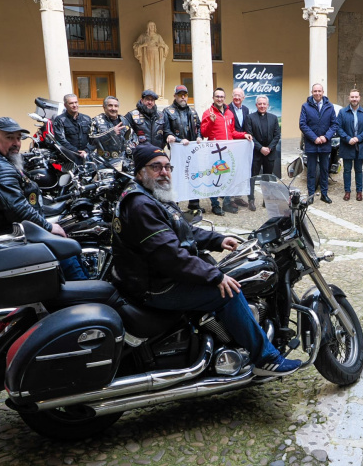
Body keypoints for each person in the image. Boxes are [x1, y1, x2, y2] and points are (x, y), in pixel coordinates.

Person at [110, 144, 300, 376]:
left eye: (167, 167)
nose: (164, 172)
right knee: (229, 292)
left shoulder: (148, 195)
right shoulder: (141, 205)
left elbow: (180, 229)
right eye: (155, 167)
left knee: (216, 271)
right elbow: (172, 257)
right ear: (140, 172)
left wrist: (217, 240)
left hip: (149, 277)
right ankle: (266, 358)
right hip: (156, 286)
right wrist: (215, 276)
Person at [0, 117, 86, 280]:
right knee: (64, 249)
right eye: (9, 137)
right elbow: (17, 208)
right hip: (0, 235)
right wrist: (48, 227)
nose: (16, 143)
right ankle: (84, 296)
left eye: (19, 138)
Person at [200, 87, 253, 215]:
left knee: (229, 177)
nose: (219, 99)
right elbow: (204, 133)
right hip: (215, 152)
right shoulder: (208, 113)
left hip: (228, 152)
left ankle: (227, 203)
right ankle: (215, 204)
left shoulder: (229, 113)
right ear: (213, 98)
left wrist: (244, 134)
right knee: (215, 178)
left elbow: (232, 132)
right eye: (217, 96)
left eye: (222, 97)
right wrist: (211, 122)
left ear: (225, 98)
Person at [163, 84, 204, 212]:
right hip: (177, 151)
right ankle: (175, 203)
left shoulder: (193, 111)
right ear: (175, 96)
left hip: (192, 151)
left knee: (194, 176)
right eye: (180, 95)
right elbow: (166, 130)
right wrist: (180, 140)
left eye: (185, 95)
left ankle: (194, 204)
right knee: (176, 177)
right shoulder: (167, 111)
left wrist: (199, 137)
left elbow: (199, 127)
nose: (183, 97)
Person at [299, 83, 338, 204]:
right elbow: (302, 124)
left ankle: (324, 194)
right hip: (311, 144)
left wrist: (326, 137)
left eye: (319, 91)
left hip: (325, 144)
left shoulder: (329, 106)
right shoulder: (305, 106)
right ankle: (311, 195)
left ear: (323, 92)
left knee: (324, 170)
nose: (317, 93)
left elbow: (334, 124)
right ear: (312, 92)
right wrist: (314, 138)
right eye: (315, 91)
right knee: (311, 171)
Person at [245, 95, 280, 211]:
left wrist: (269, 148)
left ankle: (267, 200)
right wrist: (261, 148)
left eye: (264, 104)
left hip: (269, 153)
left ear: (268, 105)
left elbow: (277, 136)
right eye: (260, 104)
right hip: (256, 152)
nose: (262, 106)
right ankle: (251, 200)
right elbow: (250, 136)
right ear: (256, 105)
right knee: (253, 177)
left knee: (267, 177)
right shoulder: (250, 118)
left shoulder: (274, 118)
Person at [336, 88, 363, 201]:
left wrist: (358, 138)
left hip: (360, 145)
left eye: (356, 97)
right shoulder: (342, 112)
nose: (354, 99)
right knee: (347, 170)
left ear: (359, 98)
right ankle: (347, 191)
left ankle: (359, 192)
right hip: (347, 145)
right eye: (352, 97)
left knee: (359, 169)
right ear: (349, 98)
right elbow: (338, 127)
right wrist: (348, 139)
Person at [226, 88, 251, 209]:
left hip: (243, 146)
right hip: (231, 144)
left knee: (241, 171)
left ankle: (238, 197)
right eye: (235, 95)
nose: (237, 98)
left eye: (239, 96)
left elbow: (246, 127)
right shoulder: (226, 109)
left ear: (243, 98)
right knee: (231, 171)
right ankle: (230, 198)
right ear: (232, 96)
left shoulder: (246, 109)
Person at [132, 21, 169, 99]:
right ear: (148, 27)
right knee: (148, 73)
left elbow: (165, 46)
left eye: (153, 25)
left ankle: (157, 92)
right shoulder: (143, 36)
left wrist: (160, 45)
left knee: (157, 74)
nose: (152, 27)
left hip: (156, 57)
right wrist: (142, 45)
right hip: (147, 57)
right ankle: (148, 92)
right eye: (150, 25)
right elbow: (135, 45)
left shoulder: (158, 36)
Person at [53, 94, 92, 164]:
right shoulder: (60, 120)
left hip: (87, 156)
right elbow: (60, 140)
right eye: (71, 103)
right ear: (65, 105)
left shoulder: (87, 119)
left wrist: (87, 150)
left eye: (76, 102)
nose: (74, 105)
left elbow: (93, 137)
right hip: (69, 157)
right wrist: (77, 152)